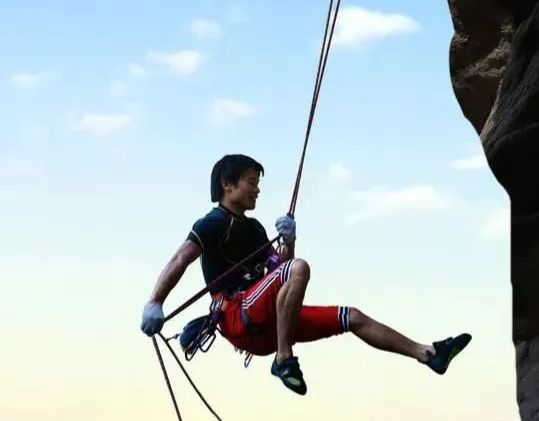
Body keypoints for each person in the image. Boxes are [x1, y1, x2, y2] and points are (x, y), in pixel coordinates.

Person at [140, 154, 471, 395]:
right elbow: (181, 258)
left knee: (351, 317)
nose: (257, 191)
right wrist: (156, 302)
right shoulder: (212, 223)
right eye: (252, 183)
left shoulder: (254, 228)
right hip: (237, 314)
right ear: (227, 185)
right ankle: (284, 359)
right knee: (298, 269)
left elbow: (280, 267)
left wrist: (289, 240)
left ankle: (428, 354)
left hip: (267, 319)